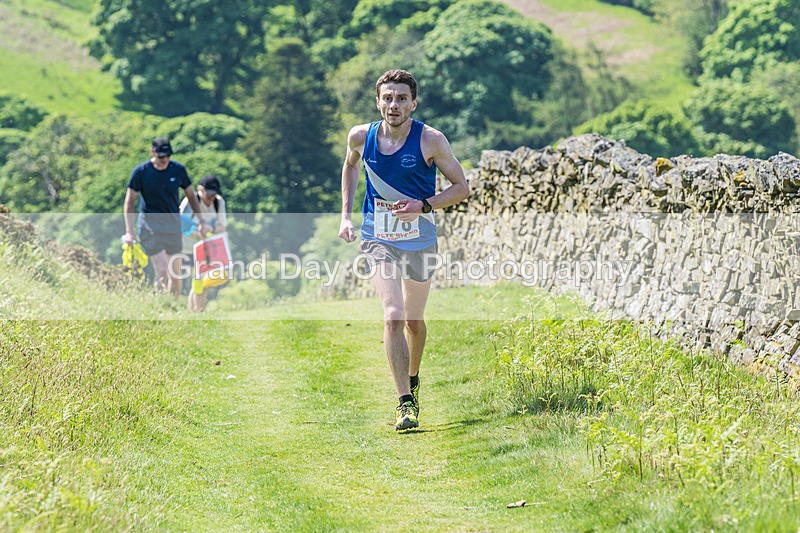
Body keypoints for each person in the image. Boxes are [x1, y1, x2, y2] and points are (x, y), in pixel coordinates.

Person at [338, 69, 470, 430]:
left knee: (413, 321)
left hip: (420, 239)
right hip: (378, 236)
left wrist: (424, 205)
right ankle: (404, 402)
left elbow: (461, 188)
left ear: (413, 102)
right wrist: (346, 216)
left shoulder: (431, 140)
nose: (393, 105)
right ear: (377, 101)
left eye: (400, 98)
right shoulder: (360, 136)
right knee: (393, 314)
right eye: (387, 98)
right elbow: (350, 168)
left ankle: (413, 377)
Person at [123, 137, 210, 295]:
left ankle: (172, 309)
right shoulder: (141, 172)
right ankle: (160, 309)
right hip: (149, 227)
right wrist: (129, 231)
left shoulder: (178, 170)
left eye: (168, 156)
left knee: (175, 276)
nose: (165, 160)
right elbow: (129, 202)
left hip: (172, 227)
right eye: (161, 157)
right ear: (152, 153)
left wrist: (202, 221)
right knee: (162, 270)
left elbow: (191, 196)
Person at [180, 175, 228, 312]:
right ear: (200, 190)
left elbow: (222, 226)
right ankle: (196, 312)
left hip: (207, 249)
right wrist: (197, 231)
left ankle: (197, 312)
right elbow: (180, 223)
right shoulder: (190, 202)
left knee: (202, 280)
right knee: (198, 280)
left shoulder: (219, 202)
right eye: (209, 194)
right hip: (188, 247)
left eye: (214, 194)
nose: (211, 198)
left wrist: (211, 229)